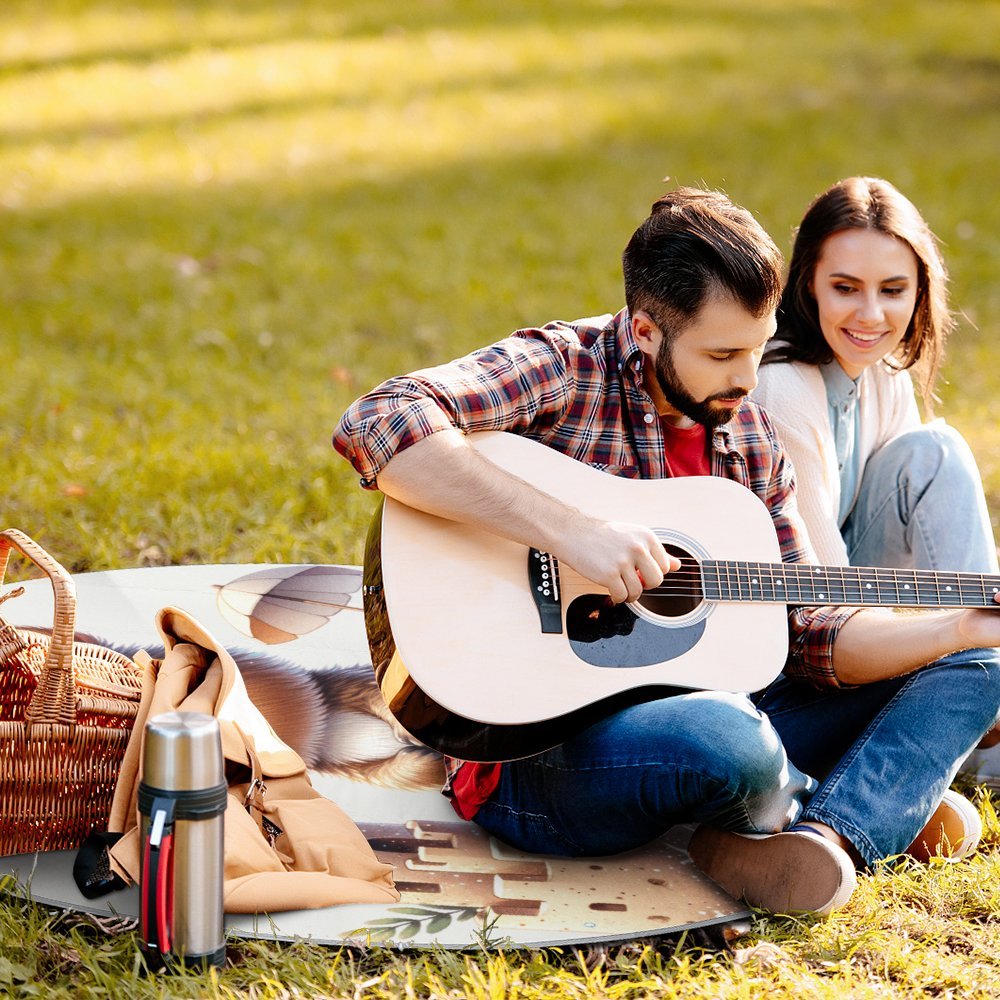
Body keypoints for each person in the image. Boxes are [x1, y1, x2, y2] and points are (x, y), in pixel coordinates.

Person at [333, 188, 1000, 916]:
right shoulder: (564, 367)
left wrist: (956, 628)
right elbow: (380, 419)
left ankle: (830, 835)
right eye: (722, 354)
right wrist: (568, 530)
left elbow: (810, 629)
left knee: (981, 664)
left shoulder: (747, 435)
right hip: (535, 756)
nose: (748, 380)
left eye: (757, 346)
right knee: (728, 741)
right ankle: (857, 796)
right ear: (646, 331)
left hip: (723, 710)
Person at [753, 176, 1000, 810]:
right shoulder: (784, 388)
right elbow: (821, 602)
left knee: (933, 451)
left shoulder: (882, 373)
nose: (871, 315)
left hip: (859, 606)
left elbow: (922, 529)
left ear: (920, 290)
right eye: (845, 288)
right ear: (806, 282)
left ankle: (980, 692)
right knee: (936, 451)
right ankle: (977, 705)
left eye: (893, 290)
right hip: (796, 643)